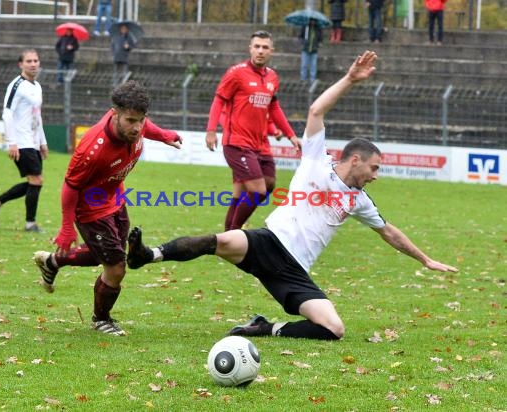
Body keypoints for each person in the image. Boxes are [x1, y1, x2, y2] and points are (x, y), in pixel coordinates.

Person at [126, 51, 459, 341]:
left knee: (333, 329)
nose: (376, 175)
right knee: (217, 241)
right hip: (268, 242)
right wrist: (349, 79)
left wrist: (425, 259)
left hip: (293, 271)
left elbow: (389, 232)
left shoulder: (358, 199)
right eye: (373, 168)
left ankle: (266, 328)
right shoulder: (317, 160)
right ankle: (147, 255)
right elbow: (316, 111)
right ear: (354, 159)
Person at [33, 80, 182, 336]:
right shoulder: (92, 149)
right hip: (90, 208)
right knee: (115, 266)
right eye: (130, 121)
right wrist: (67, 228)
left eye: (140, 120)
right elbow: (70, 187)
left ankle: (52, 262)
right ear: (115, 114)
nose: (137, 128)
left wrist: (163, 135)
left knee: (104, 253)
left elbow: (146, 126)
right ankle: (101, 319)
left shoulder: (134, 122)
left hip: (114, 196)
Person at [205, 30, 301, 232]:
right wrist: (211, 131)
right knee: (257, 190)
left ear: (271, 51)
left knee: (267, 184)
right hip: (237, 143)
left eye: (265, 47)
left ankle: (229, 234)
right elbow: (219, 100)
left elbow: (274, 107)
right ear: (250, 48)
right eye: (256, 46)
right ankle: (234, 232)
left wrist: (291, 135)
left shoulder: (273, 77)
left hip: (260, 144)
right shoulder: (236, 73)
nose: (260, 51)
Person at [0, 49, 48, 233]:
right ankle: (30, 224)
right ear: (21, 64)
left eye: (36, 60)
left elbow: (37, 117)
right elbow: (7, 113)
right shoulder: (16, 85)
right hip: (21, 141)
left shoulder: (37, 86)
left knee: (34, 182)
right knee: (36, 180)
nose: (33, 64)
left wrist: (42, 141)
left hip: (33, 141)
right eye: (29, 61)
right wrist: (12, 142)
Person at [299, 18, 323, 83]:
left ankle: (312, 79)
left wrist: (319, 44)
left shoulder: (318, 28)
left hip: (314, 50)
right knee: (304, 64)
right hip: (305, 49)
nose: (312, 22)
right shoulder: (305, 27)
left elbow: (320, 38)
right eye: (311, 20)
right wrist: (303, 42)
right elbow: (300, 36)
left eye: (314, 21)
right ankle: (303, 78)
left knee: (313, 66)